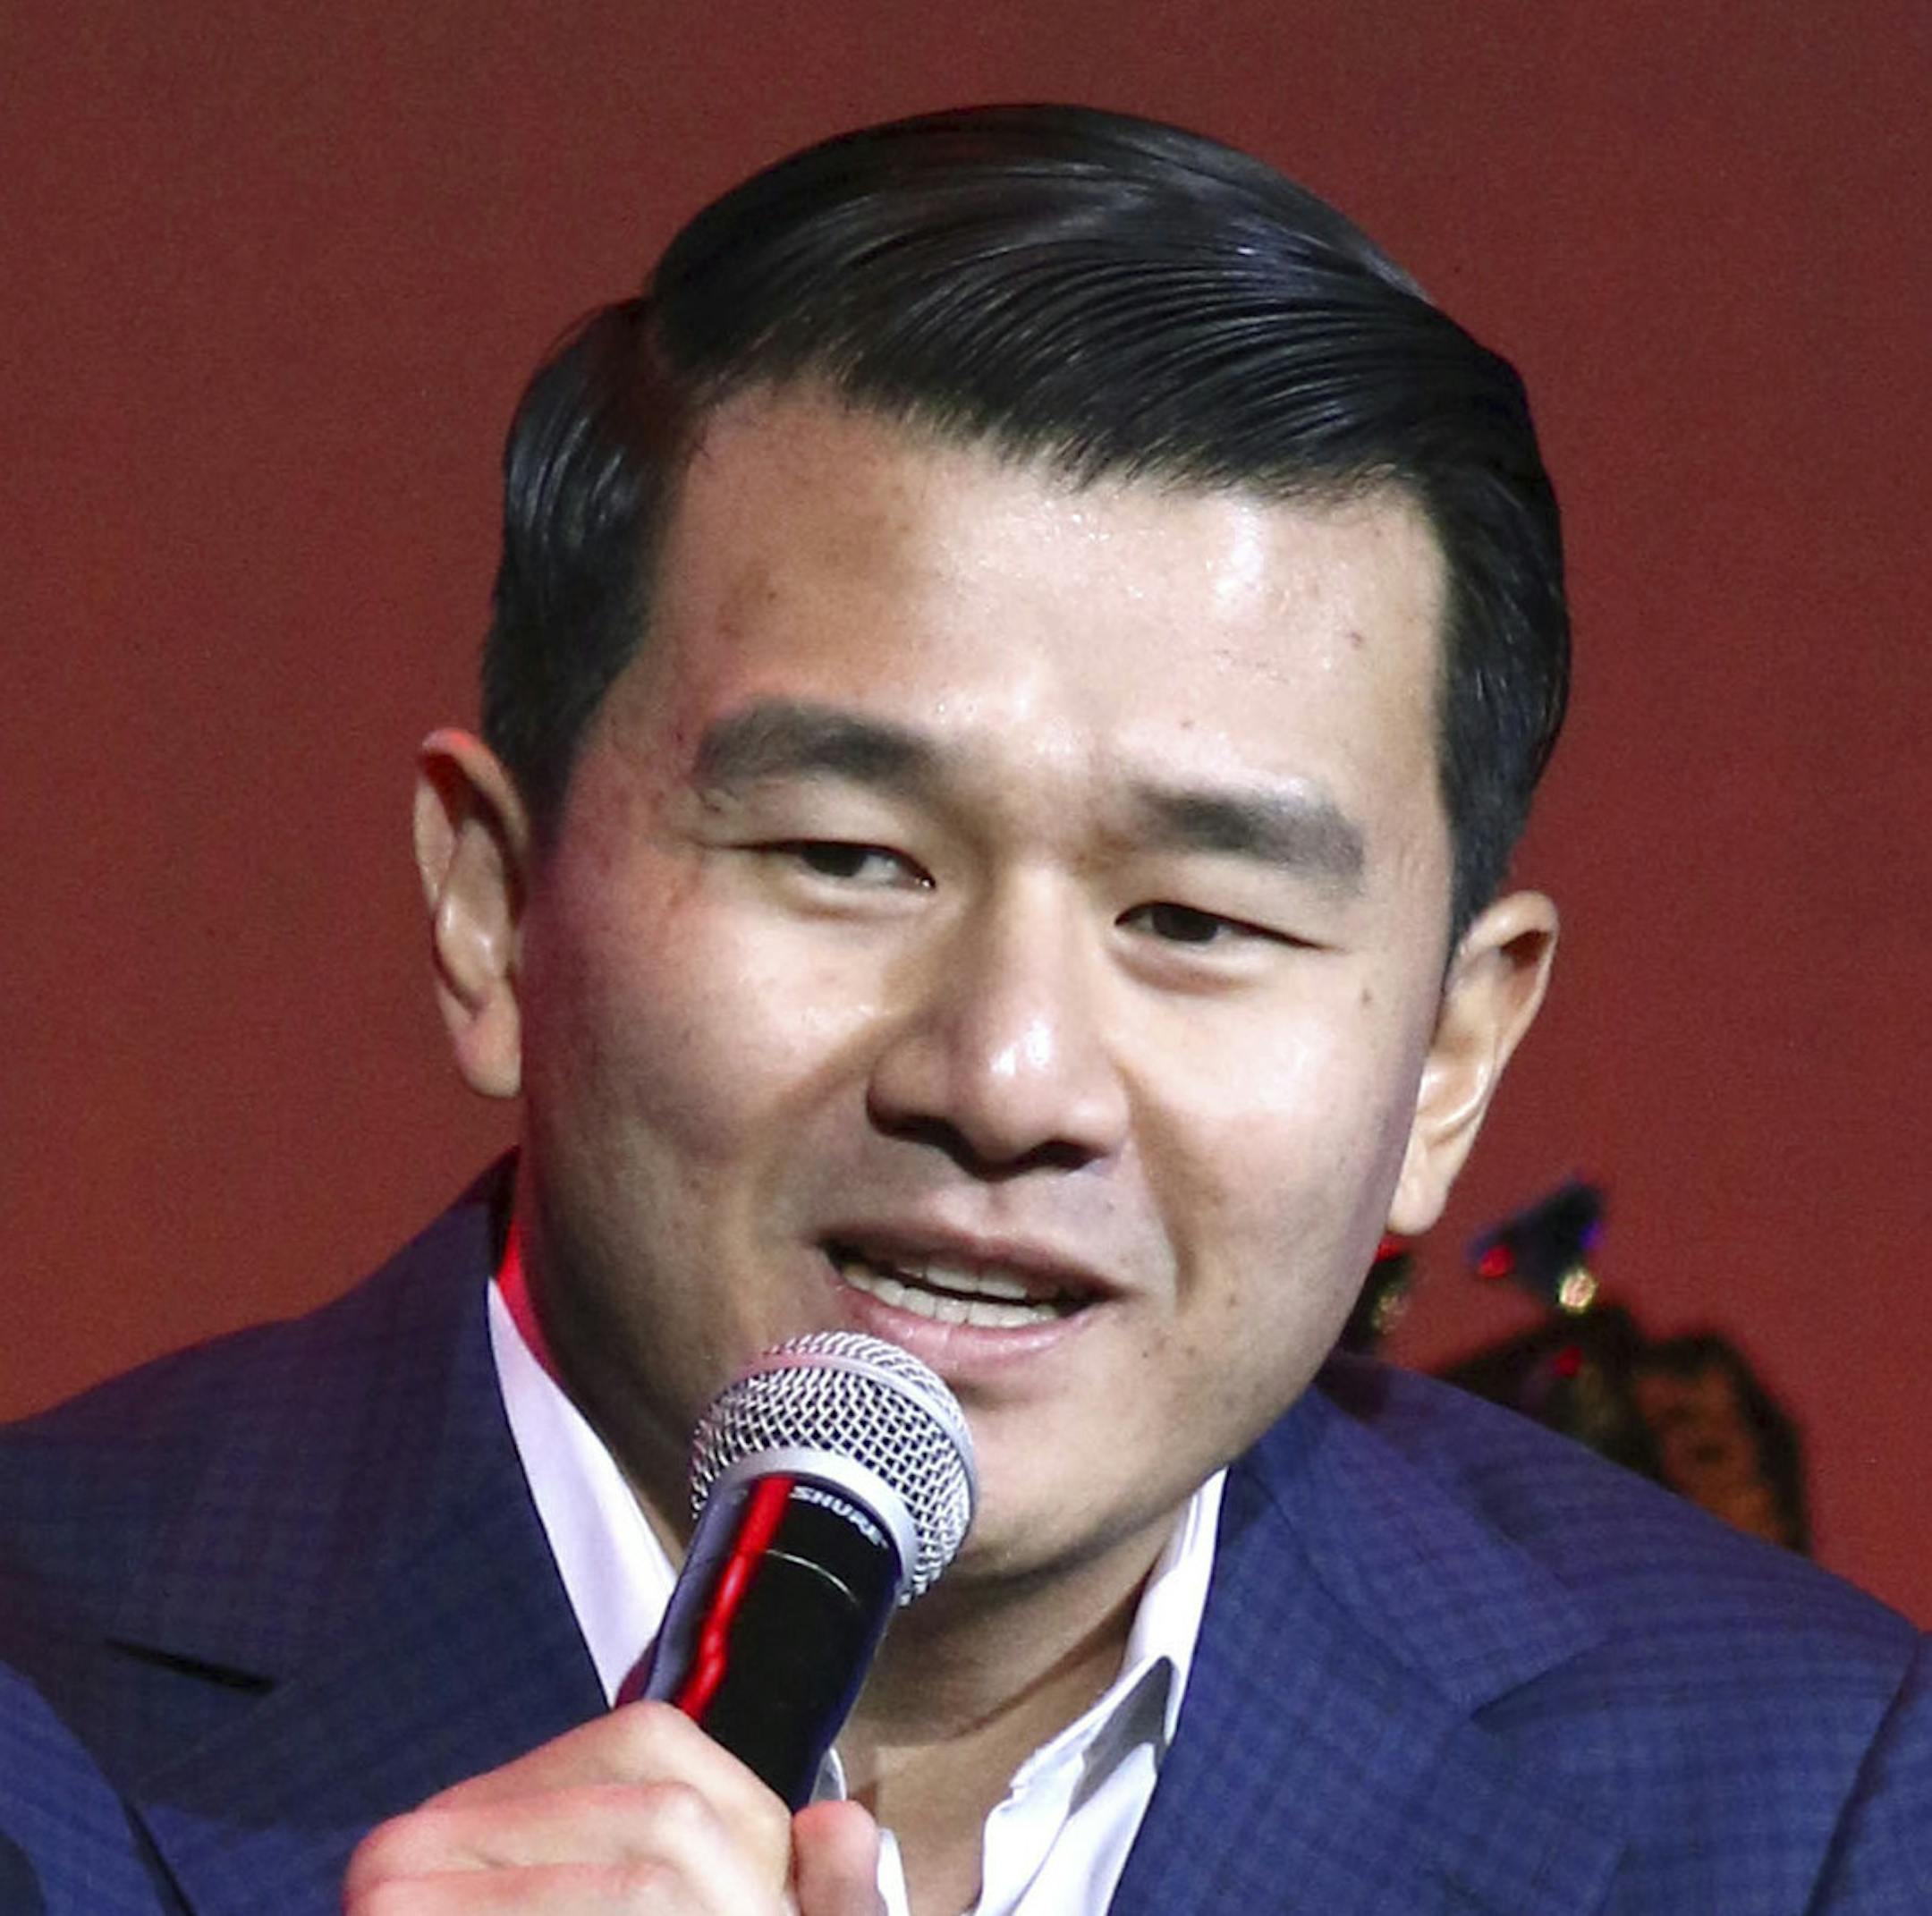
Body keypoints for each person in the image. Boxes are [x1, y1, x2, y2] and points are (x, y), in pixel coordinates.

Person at [0, 105, 1924, 1915]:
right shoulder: (38, 1693)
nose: (1005, 1082)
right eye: (852, 859)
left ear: (1448, 1062)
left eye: (1193, 914)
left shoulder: (1797, 1801)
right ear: (498, 906)